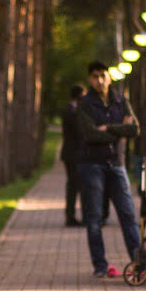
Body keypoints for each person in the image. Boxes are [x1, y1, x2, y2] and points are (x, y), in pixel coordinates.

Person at [75, 61, 142, 278]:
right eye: (95, 76)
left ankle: (138, 262)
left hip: (117, 164)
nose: (100, 80)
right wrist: (120, 131)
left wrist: (110, 128)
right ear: (90, 79)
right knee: (94, 218)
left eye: (103, 75)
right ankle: (100, 265)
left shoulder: (121, 101)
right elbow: (90, 134)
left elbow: (135, 129)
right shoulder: (85, 104)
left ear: (109, 77)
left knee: (128, 214)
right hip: (92, 165)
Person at [61, 85, 85, 226]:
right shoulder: (72, 111)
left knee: (73, 185)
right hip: (73, 155)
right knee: (74, 186)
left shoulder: (71, 110)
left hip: (71, 154)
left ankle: (72, 216)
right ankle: (70, 217)